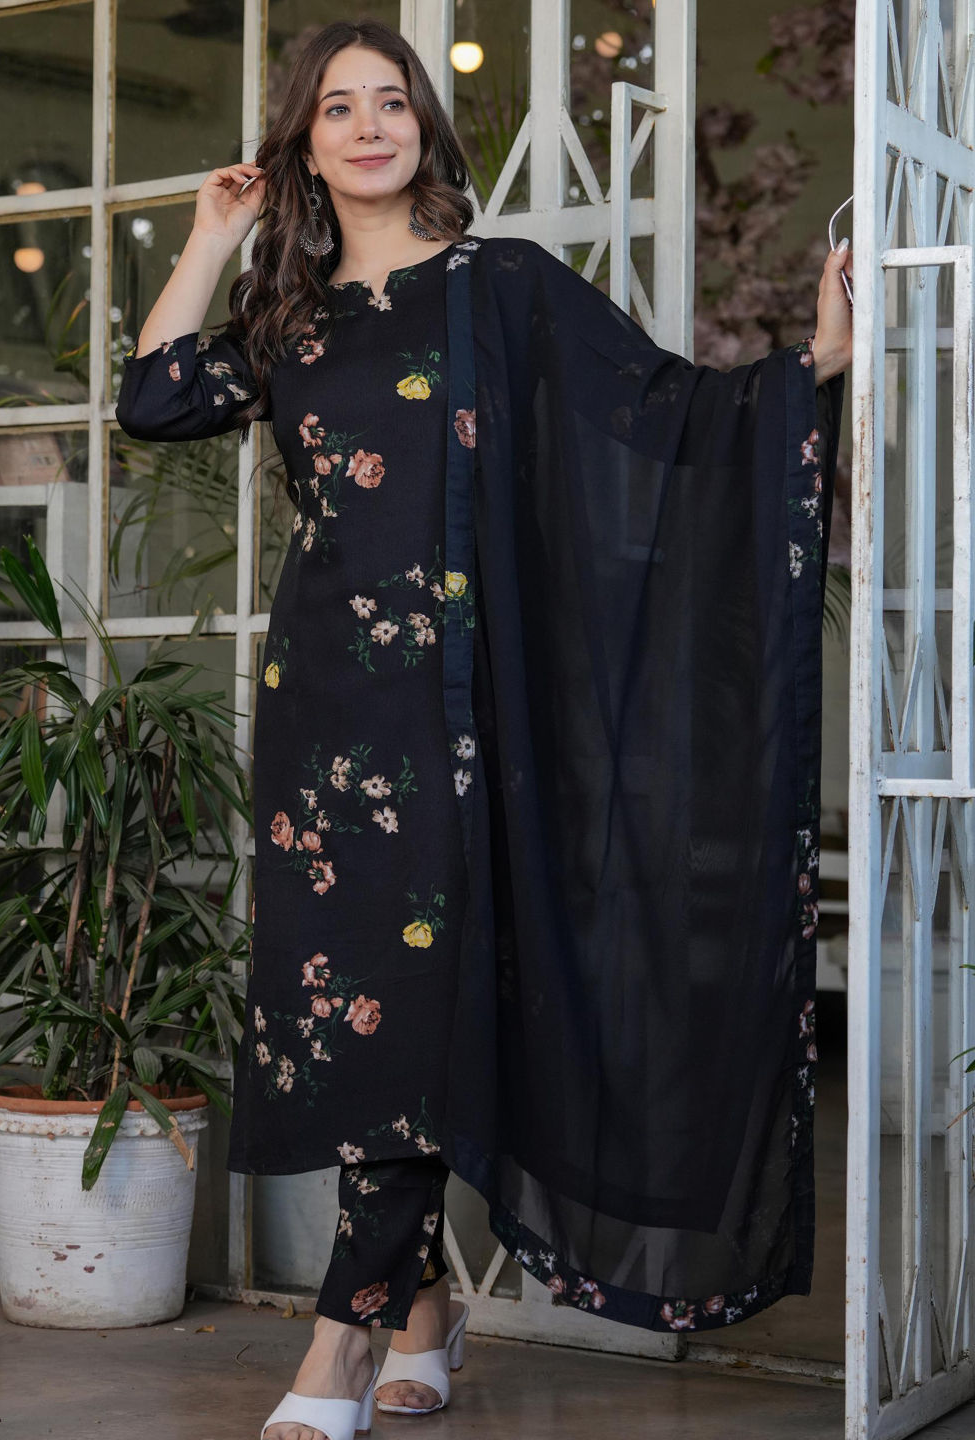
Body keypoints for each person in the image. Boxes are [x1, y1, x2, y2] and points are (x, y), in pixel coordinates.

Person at [115, 20, 852, 1440]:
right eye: (339, 108)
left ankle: (340, 1344)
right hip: (326, 718)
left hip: (460, 717)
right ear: (303, 142)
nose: (371, 126)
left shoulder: (497, 289)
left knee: (411, 1013)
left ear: (426, 132)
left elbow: (665, 416)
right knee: (356, 1019)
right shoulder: (289, 319)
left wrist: (807, 368)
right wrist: (211, 236)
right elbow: (153, 401)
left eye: (393, 102)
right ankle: (425, 1316)